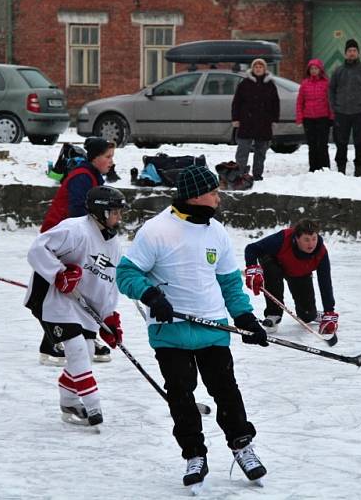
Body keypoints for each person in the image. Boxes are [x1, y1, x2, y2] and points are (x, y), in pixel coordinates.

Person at [115, 165, 268, 489]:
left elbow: (229, 284)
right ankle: (193, 454)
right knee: (181, 396)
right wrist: (151, 295)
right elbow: (126, 275)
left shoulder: (217, 232)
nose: (218, 197)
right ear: (196, 196)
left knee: (226, 391)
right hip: (170, 331)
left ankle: (242, 446)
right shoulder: (156, 231)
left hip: (213, 327)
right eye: (214, 192)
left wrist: (245, 318)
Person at [25, 186, 127, 427]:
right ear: (101, 212)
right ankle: (93, 406)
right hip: (55, 302)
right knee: (78, 350)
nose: (119, 217)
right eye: (115, 212)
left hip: (84, 308)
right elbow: (37, 249)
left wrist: (108, 319)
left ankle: (69, 401)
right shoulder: (74, 229)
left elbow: (107, 286)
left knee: (88, 352)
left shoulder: (114, 247)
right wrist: (59, 274)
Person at [38, 136, 116, 366]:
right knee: (62, 291)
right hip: (61, 240)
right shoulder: (82, 177)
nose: (111, 162)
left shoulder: (93, 174)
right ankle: (52, 342)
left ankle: (85, 335)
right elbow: (78, 213)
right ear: (94, 158)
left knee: (82, 288)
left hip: (75, 240)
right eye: (107, 157)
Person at [244, 219, 338, 335]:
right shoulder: (282, 238)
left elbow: (325, 282)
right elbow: (251, 249)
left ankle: (312, 314)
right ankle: (273, 314)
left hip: (299, 272)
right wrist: (252, 269)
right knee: (271, 269)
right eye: (306, 240)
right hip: (275, 264)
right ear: (297, 238)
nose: (311, 244)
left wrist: (329, 312)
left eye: (314, 238)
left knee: (307, 316)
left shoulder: (321, 252)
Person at [329, 38, 361, 177]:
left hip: (360, 113)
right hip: (341, 113)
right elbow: (331, 89)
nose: (352, 53)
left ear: (358, 53)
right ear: (345, 53)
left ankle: (358, 171)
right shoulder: (338, 71)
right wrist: (334, 105)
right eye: (349, 51)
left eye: (354, 51)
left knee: (360, 143)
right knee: (341, 143)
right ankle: (341, 170)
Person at [231, 58, 280, 181]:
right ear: (252, 69)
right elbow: (236, 102)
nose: (258, 69)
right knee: (243, 149)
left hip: (264, 122)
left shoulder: (270, 85)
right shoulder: (245, 83)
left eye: (261, 67)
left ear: (264, 69)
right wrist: (235, 118)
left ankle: (257, 174)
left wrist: (274, 119)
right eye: (256, 67)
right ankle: (240, 173)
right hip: (247, 121)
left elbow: (275, 103)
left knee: (261, 151)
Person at [295, 59, 333, 172]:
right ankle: (313, 168)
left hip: (323, 118)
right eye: (311, 69)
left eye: (316, 68)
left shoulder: (326, 83)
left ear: (320, 70)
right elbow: (300, 102)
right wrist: (299, 118)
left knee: (322, 144)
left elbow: (330, 101)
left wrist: (332, 117)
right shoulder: (305, 83)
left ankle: (325, 168)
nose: (314, 71)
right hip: (308, 118)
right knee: (312, 145)